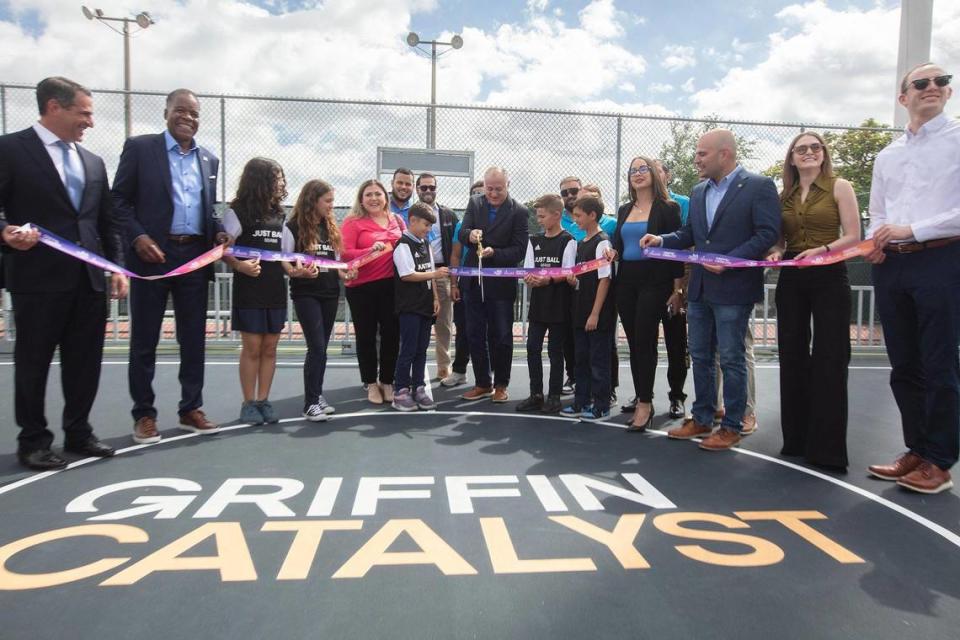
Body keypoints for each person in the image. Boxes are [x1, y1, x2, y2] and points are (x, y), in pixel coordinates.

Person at [0, 76, 127, 470]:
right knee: (34, 362)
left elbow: (106, 222)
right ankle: (34, 440)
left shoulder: (93, 162)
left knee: (85, 361)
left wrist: (117, 267)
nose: (89, 122)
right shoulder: (9, 149)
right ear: (54, 107)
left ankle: (79, 432)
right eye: (84, 113)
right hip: (37, 280)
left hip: (89, 281)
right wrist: (4, 232)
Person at [641, 129, 780, 451]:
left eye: (702, 153)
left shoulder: (759, 186)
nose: (696, 159)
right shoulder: (700, 190)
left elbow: (766, 233)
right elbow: (691, 232)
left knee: (731, 358)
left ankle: (731, 425)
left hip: (734, 288)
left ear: (725, 154)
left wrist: (731, 260)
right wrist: (662, 240)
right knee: (701, 355)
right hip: (701, 287)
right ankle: (702, 418)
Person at [865, 62, 960, 494]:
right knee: (904, 364)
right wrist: (878, 240)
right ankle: (916, 450)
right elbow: (879, 212)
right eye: (921, 83)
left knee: (940, 362)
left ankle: (940, 460)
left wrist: (913, 231)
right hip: (893, 266)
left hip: (940, 259)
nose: (933, 87)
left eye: (942, 81)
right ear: (904, 97)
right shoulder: (889, 155)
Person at [113, 88, 226, 444]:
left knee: (193, 340)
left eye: (194, 113)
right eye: (181, 110)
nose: (188, 118)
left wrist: (219, 231)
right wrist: (138, 237)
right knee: (144, 339)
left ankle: (190, 408)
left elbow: (206, 211)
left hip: (193, 258)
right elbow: (118, 201)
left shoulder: (208, 159)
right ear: (166, 112)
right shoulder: (140, 148)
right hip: (151, 258)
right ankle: (144, 415)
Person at [765, 132, 860, 471]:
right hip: (792, 276)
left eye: (814, 148)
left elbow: (853, 237)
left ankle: (828, 449)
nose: (808, 153)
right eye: (800, 149)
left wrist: (822, 251)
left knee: (830, 357)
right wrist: (776, 252)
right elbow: (778, 241)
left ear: (823, 154)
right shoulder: (783, 196)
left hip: (829, 274)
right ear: (791, 158)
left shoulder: (840, 186)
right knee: (791, 354)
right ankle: (796, 440)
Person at [612, 156, 683, 432]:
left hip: (656, 281)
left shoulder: (668, 208)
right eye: (633, 170)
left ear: (654, 173)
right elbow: (619, 245)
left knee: (645, 340)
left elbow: (675, 251)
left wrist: (678, 289)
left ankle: (645, 402)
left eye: (643, 169)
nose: (638, 174)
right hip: (626, 281)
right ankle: (644, 397)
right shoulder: (624, 209)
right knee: (634, 342)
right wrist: (612, 251)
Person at [222, 158, 288, 425]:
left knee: (270, 347)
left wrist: (296, 270)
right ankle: (248, 402)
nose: (282, 183)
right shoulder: (236, 212)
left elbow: (284, 254)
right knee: (252, 347)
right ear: (260, 180)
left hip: (274, 289)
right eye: (277, 177)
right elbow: (223, 250)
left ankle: (263, 399)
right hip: (249, 290)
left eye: (282, 177)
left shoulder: (280, 215)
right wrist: (240, 266)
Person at [458, 167, 529, 402]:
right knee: (474, 334)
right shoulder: (475, 202)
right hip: (473, 282)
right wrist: (470, 235)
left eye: (499, 189)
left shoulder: (519, 211)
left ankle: (501, 384)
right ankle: (482, 383)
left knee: (501, 336)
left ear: (508, 184)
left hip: (500, 284)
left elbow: (519, 249)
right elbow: (462, 233)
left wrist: (494, 253)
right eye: (489, 188)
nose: (494, 193)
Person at [282, 179, 344, 422]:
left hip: (330, 292)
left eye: (332, 201)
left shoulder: (330, 227)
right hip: (306, 293)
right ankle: (309, 404)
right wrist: (297, 272)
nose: (331, 205)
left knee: (322, 348)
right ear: (312, 200)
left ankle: (316, 395)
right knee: (316, 346)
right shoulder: (292, 227)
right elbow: (285, 262)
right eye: (327, 201)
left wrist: (346, 272)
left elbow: (337, 263)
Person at [341, 179, 404, 404]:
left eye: (378, 194)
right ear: (361, 199)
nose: (374, 198)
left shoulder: (397, 220)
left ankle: (387, 380)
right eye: (368, 194)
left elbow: (408, 245)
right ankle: (370, 383)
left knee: (391, 335)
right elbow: (345, 253)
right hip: (362, 288)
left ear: (386, 198)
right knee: (366, 337)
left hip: (391, 286)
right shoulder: (352, 222)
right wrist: (370, 250)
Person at [516, 194, 576, 414]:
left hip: (559, 305)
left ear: (556, 215)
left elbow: (568, 271)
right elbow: (528, 270)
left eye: (542, 216)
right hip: (539, 305)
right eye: (537, 216)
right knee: (532, 347)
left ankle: (554, 396)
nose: (539, 220)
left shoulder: (568, 241)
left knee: (555, 351)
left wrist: (548, 279)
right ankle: (536, 394)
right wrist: (531, 278)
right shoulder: (534, 241)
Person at [558, 176, 617, 397]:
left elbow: (605, 276)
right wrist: (573, 279)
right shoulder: (578, 240)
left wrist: (595, 312)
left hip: (598, 306)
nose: (576, 220)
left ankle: (604, 396)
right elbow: (578, 269)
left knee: (600, 354)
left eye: (579, 215)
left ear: (592, 213)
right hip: (578, 302)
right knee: (581, 353)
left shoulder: (605, 235)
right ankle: (582, 396)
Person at [392, 203, 450, 411]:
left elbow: (429, 271)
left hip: (425, 305)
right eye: (426, 225)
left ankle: (418, 387)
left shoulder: (425, 244)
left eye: (430, 226)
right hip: (409, 307)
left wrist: (435, 296)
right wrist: (435, 275)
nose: (428, 229)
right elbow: (407, 274)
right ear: (413, 220)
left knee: (421, 350)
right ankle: (400, 391)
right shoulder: (403, 245)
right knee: (408, 349)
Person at [650, 159, 690, 420]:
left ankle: (677, 396)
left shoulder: (681, 204)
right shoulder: (634, 206)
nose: (651, 175)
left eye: (657, 170)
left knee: (676, 343)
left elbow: (685, 244)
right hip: (645, 285)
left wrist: (680, 289)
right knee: (644, 344)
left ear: (667, 175)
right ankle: (644, 396)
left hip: (676, 279)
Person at [416, 172, 459, 381]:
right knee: (415, 323)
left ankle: (444, 367)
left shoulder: (448, 215)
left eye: (431, 187)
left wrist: (453, 279)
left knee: (443, 324)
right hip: (415, 274)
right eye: (424, 188)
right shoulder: (410, 214)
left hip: (441, 272)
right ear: (417, 190)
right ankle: (413, 367)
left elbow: (456, 248)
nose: (428, 191)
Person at [441, 180, 482, 387]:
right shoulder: (461, 225)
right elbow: (455, 256)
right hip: (465, 283)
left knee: (488, 330)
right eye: (475, 194)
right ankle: (459, 371)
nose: (478, 197)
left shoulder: (497, 222)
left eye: (482, 194)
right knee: (463, 328)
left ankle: (488, 376)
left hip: (488, 283)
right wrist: (454, 284)